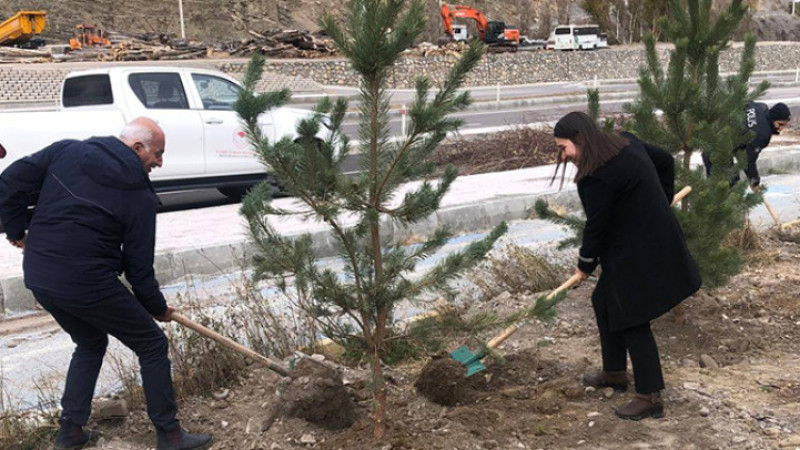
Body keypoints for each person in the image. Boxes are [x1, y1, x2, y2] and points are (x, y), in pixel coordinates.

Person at [0, 118, 212, 450]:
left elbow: (7, 184)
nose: (160, 162)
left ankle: (69, 433)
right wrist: (156, 309)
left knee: (89, 342)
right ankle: (169, 435)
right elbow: (139, 269)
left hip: (40, 274)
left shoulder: (66, 151)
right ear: (137, 147)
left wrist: (16, 231)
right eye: (158, 154)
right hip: (85, 280)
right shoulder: (140, 196)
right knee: (152, 345)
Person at [551, 112, 702, 420]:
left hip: (639, 248)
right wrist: (662, 197)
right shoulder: (625, 142)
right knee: (603, 300)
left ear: (580, 140)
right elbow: (664, 161)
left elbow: (597, 225)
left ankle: (650, 397)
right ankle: (615, 372)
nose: (563, 156)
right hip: (646, 238)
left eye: (564, 148)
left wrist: (585, 264)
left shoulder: (597, 177)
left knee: (632, 316)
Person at [702, 102, 791, 187]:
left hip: (711, 134)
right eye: (780, 124)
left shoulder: (760, 107)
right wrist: (755, 181)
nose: (781, 128)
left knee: (721, 187)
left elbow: (742, 150)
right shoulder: (762, 134)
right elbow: (748, 161)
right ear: (773, 118)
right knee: (731, 187)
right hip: (717, 149)